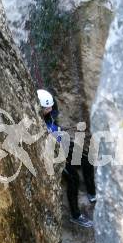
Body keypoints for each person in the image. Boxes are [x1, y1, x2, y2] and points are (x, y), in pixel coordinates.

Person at [37, 89, 96, 228]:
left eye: (51, 106)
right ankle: (76, 215)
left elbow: (54, 125)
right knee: (73, 178)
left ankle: (92, 194)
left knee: (87, 160)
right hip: (52, 152)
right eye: (47, 107)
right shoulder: (36, 120)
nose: (50, 109)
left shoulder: (49, 114)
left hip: (62, 142)